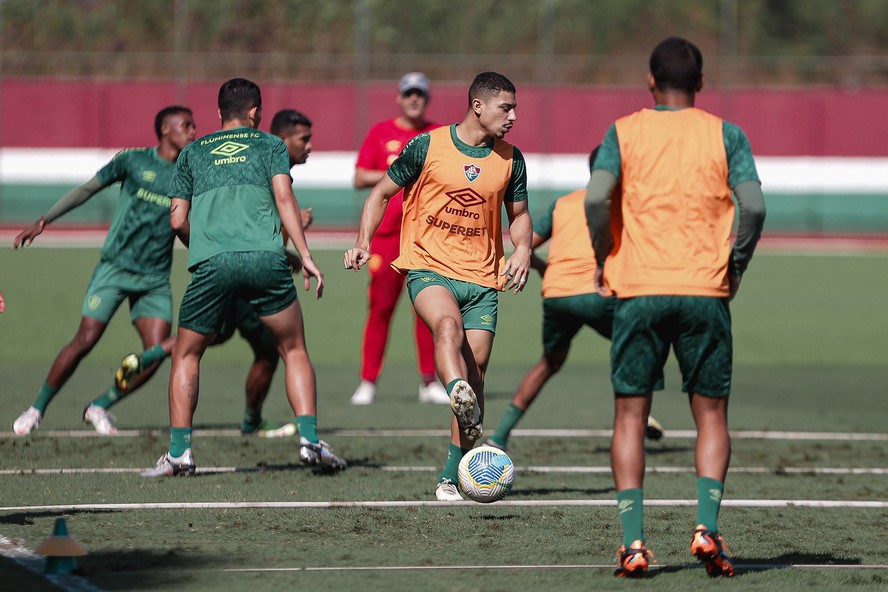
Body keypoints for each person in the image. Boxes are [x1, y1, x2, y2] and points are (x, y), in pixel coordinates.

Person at [584, 37, 766, 577]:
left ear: (649, 81)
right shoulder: (726, 134)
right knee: (710, 415)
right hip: (704, 291)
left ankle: (634, 544)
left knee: (630, 416)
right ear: (701, 84)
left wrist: (603, 254)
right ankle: (706, 528)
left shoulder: (624, 130)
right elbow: (753, 206)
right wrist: (735, 265)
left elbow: (596, 198)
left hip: (638, 288)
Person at [142, 79, 346, 476]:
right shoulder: (270, 145)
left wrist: (202, 244)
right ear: (256, 113)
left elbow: (178, 219)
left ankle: (181, 453)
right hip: (265, 259)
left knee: (186, 354)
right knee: (293, 349)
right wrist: (305, 256)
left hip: (211, 262)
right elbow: (285, 198)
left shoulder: (190, 154)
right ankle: (309, 440)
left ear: (219, 113)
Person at [345, 71, 532, 501]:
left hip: (483, 278)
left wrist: (521, 250)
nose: (513, 116)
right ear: (478, 106)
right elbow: (380, 193)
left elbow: (519, 216)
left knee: (478, 373)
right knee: (447, 330)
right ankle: (453, 391)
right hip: (429, 267)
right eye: (507, 108)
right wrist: (363, 241)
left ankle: (452, 477)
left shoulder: (511, 159)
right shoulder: (428, 145)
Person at [110, 108, 317, 439]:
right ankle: (268, 426)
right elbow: (254, 232)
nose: (309, 146)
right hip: (250, 273)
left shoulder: (213, 155)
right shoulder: (268, 156)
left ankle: (190, 440)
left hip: (220, 266)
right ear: (281, 137)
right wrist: (295, 244)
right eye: (304, 139)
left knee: (215, 340)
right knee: (255, 346)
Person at [10, 106, 197, 436]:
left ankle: (99, 406)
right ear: (166, 130)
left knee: (153, 356)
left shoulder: (190, 173)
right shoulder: (134, 161)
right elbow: (87, 189)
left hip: (154, 280)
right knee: (85, 340)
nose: (194, 131)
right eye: (186, 125)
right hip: (115, 269)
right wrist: (44, 220)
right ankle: (36, 409)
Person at [485, 148, 664, 452]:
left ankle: (499, 435)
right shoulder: (627, 203)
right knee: (646, 343)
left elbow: (524, 246)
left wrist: (546, 269)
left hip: (557, 296)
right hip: (598, 294)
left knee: (549, 363)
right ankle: (637, 419)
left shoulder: (563, 204)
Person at [350, 72, 448, 405]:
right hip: (388, 239)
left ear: (427, 98)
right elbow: (360, 176)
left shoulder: (439, 135)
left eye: (420, 94)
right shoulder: (381, 133)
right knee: (380, 310)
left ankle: (428, 382)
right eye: (409, 94)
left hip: (426, 238)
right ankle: (368, 381)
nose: (414, 99)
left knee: (428, 310)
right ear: (399, 97)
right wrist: (402, 170)